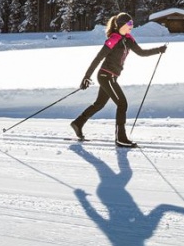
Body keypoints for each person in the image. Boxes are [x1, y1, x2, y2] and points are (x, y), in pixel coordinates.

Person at [71, 12, 166, 148]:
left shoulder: (128, 39)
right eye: (129, 24)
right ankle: (121, 138)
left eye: (132, 23)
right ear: (121, 25)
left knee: (99, 104)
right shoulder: (113, 39)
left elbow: (141, 53)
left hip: (112, 77)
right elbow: (98, 58)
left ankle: (78, 123)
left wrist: (159, 50)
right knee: (122, 104)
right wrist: (87, 76)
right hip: (105, 76)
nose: (131, 26)